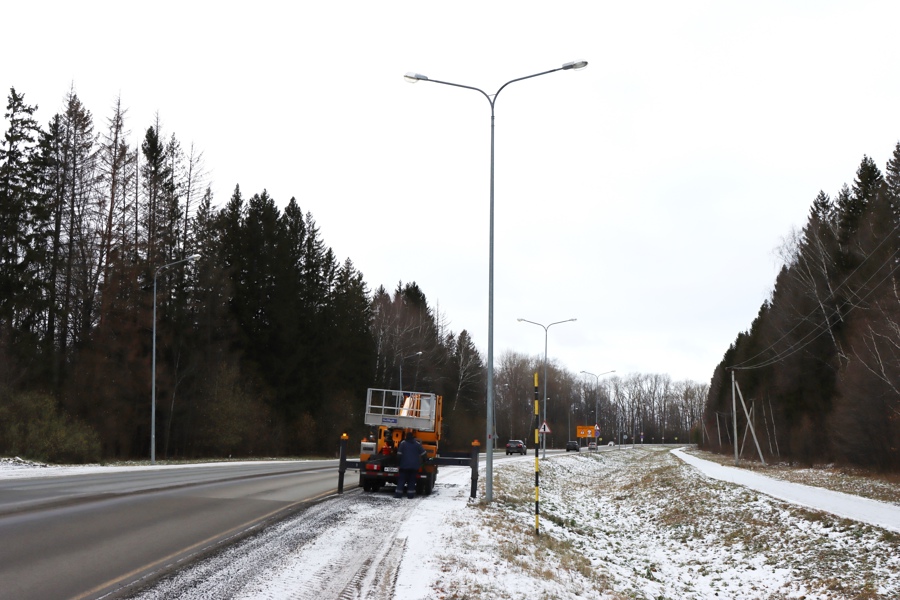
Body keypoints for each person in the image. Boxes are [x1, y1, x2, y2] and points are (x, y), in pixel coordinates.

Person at [394, 431, 426, 499]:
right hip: (414, 467)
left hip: (404, 467)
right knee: (412, 481)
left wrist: (398, 464)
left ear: (406, 437)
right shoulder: (417, 444)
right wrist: (424, 461)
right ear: (413, 437)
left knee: (401, 480)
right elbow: (424, 453)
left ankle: (398, 495)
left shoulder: (403, 444)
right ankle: (410, 495)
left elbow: (399, 455)